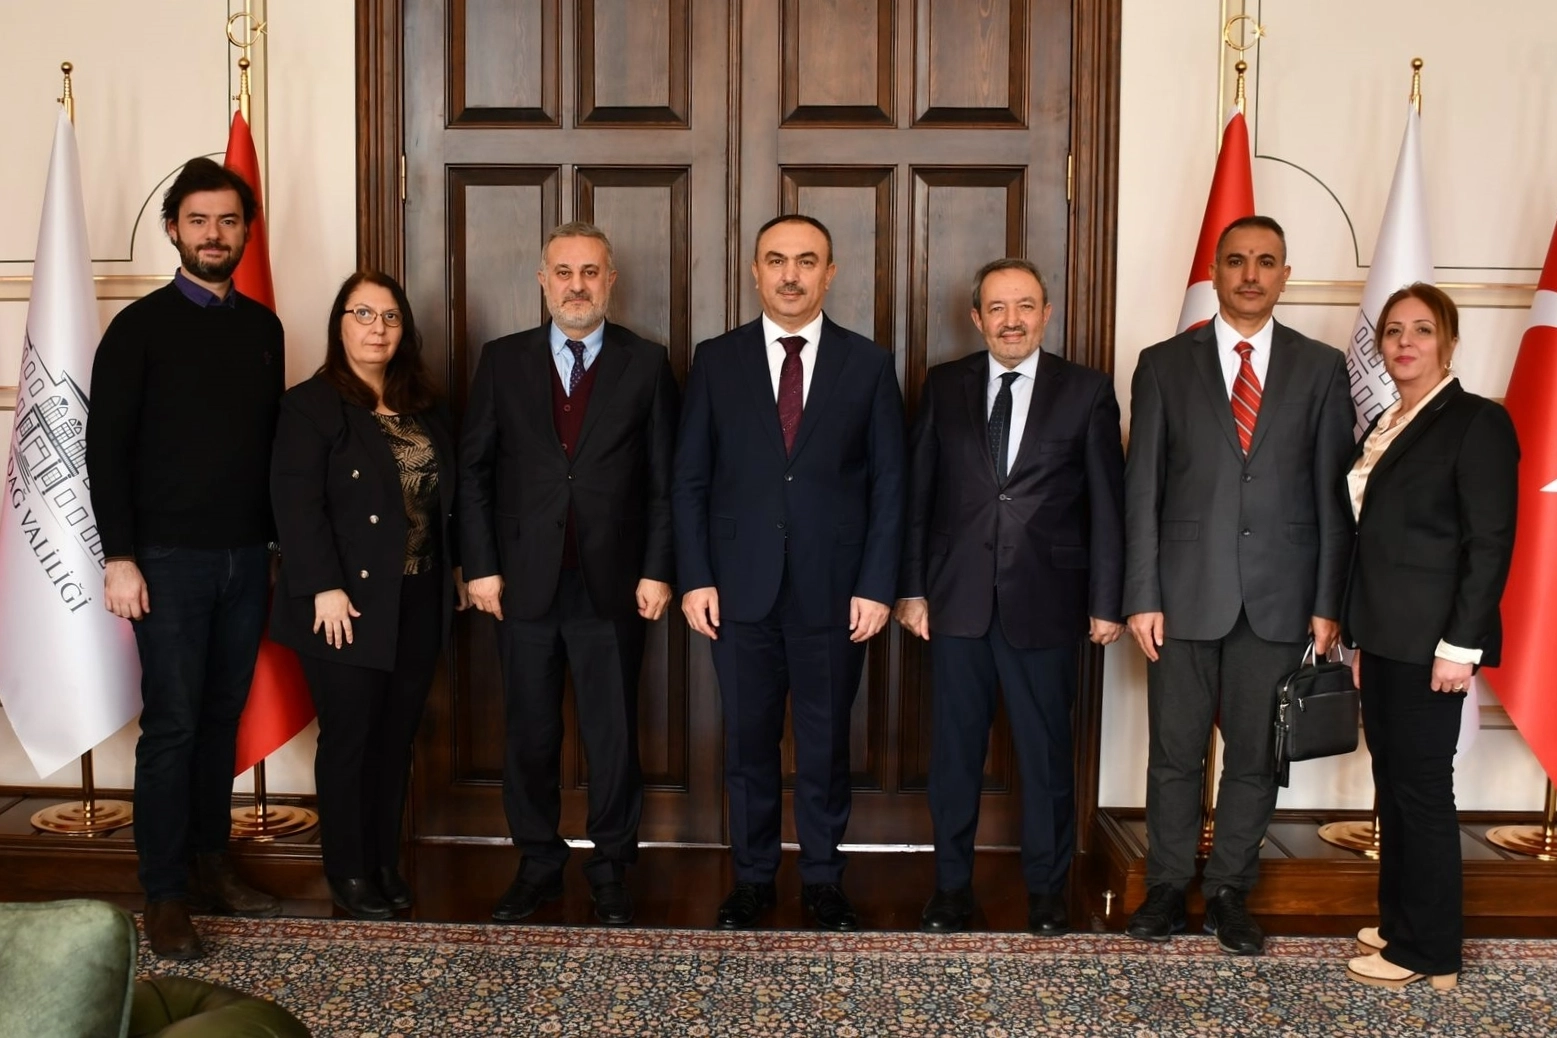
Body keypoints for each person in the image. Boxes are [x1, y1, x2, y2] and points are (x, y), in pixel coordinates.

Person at [1122, 215, 1354, 955]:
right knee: (1174, 752)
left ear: (1285, 274)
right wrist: (1140, 593)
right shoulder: (1164, 364)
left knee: (1255, 754)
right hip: (1182, 593)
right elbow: (1142, 489)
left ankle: (1228, 891)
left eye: (1265, 261)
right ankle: (1166, 886)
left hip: (1281, 597)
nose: (1250, 274)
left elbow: (1333, 496)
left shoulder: (1321, 368)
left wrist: (1327, 602)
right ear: (1216, 272)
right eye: (1236, 261)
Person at [672, 214, 906, 932]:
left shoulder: (868, 364)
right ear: (755, 271)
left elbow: (890, 485)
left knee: (826, 745)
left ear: (829, 273)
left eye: (806, 261)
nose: (791, 275)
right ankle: (751, 879)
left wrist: (877, 584)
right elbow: (689, 479)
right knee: (748, 745)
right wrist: (695, 576)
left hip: (835, 594)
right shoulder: (716, 360)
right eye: (776, 260)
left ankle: (823, 880)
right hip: (736, 590)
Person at [85, 156, 285, 960]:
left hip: (247, 559)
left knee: (219, 718)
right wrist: (119, 557)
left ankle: (209, 865)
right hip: (165, 562)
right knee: (172, 725)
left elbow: (267, 448)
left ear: (246, 232)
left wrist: (275, 547)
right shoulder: (138, 328)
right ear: (173, 229)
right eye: (198, 220)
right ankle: (164, 895)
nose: (214, 234)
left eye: (228, 221)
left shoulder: (264, 329)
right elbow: (104, 451)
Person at [896, 258, 1125, 934]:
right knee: (954, 756)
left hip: (1047, 603)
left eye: (1025, 305)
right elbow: (918, 495)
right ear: (977, 318)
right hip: (955, 602)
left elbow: (1107, 506)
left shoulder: (1086, 391)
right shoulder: (944, 385)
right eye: (997, 308)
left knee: (1046, 755)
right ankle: (950, 888)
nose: (1011, 320)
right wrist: (911, 589)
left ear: (1046, 314)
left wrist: (1107, 600)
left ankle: (1047, 891)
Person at [460, 222, 679, 927]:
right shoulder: (502, 360)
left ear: (610, 280)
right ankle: (537, 864)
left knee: (612, 737)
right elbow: (474, 472)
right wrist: (481, 567)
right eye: (563, 272)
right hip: (521, 586)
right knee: (528, 735)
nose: (576, 285)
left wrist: (657, 570)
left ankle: (611, 867)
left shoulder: (647, 363)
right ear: (542, 280)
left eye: (590, 272)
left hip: (613, 587)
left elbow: (665, 482)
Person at [269, 271, 466, 920]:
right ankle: (348, 871)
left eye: (389, 316)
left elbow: (447, 501)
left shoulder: (425, 404)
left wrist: (457, 566)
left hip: (419, 595)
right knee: (350, 738)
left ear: (403, 328)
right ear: (340, 324)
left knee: (395, 736)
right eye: (363, 314)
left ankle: (383, 862)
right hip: (344, 605)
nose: (377, 328)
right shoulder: (310, 406)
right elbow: (296, 508)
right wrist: (322, 587)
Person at [1340, 283, 1517, 990]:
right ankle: (1400, 922)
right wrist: (1358, 636)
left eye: (1420, 329)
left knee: (1420, 793)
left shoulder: (1476, 422)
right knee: (1393, 785)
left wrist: (1460, 647)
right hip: (1384, 638)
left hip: (1433, 645)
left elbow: (1488, 543)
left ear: (1447, 340)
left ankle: (1430, 951)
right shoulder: (1388, 422)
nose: (1404, 342)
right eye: (1392, 331)